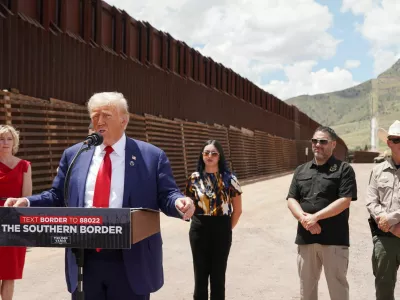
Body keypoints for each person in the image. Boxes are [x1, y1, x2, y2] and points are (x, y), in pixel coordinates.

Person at [5, 92, 195, 300]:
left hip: (131, 259)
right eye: (95, 116)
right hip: (84, 259)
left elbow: (166, 194)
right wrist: (27, 202)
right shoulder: (75, 154)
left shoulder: (151, 156)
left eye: (106, 115)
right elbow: (58, 195)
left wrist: (179, 202)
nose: (99, 121)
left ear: (124, 120)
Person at [286, 126, 357, 300]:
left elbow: (344, 201)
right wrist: (306, 220)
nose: (318, 144)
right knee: (307, 290)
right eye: (314, 141)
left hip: (334, 241)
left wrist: (315, 217)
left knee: (338, 290)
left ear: (333, 144)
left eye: (323, 141)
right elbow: (291, 199)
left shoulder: (344, 169)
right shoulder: (301, 170)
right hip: (306, 239)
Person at [185, 140, 243, 300]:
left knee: (218, 275)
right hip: (199, 229)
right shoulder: (193, 179)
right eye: (206, 153)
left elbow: (237, 211)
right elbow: (188, 204)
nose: (209, 156)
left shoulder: (230, 179)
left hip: (222, 229)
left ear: (220, 157)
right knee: (200, 275)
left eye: (213, 153)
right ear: (201, 156)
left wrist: (225, 230)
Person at [366, 120, 400, 300]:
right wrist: (388, 224)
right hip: (385, 236)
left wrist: (392, 219)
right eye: (396, 140)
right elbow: (371, 201)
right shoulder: (378, 171)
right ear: (389, 143)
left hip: (389, 226)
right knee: (384, 288)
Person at [0, 125, 32, 300]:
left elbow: (26, 196)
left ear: (14, 142)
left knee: (9, 273)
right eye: (1, 139)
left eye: (9, 139)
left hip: (13, 221)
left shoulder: (24, 165)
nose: (5, 143)